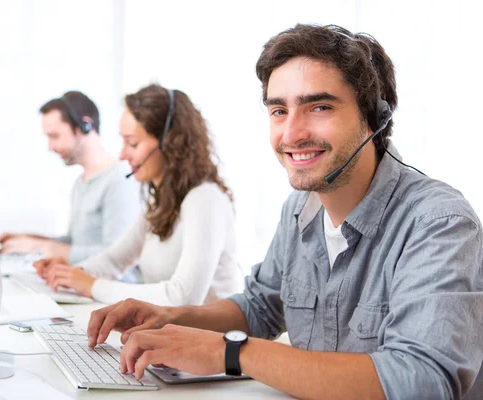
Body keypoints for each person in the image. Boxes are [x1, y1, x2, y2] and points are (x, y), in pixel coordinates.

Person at [82, 24, 483, 399]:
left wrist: (231, 352)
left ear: (375, 119)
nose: (291, 134)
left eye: (319, 107)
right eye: (278, 111)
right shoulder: (301, 208)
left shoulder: (438, 222)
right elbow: (259, 306)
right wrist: (169, 316)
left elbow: (422, 380)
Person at [34, 84, 244, 306]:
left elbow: (183, 298)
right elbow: (115, 259)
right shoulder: (162, 200)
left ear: (169, 142)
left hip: (212, 338)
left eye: (132, 143)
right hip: (174, 332)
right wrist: (70, 274)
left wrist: (92, 286)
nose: (122, 154)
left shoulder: (204, 199)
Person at [0, 91, 140, 263]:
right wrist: (32, 241)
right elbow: (75, 244)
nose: (50, 146)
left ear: (85, 126)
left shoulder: (120, 179)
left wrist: (46, 248)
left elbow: (119, 257)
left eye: (55, 136)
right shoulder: (81, 183)